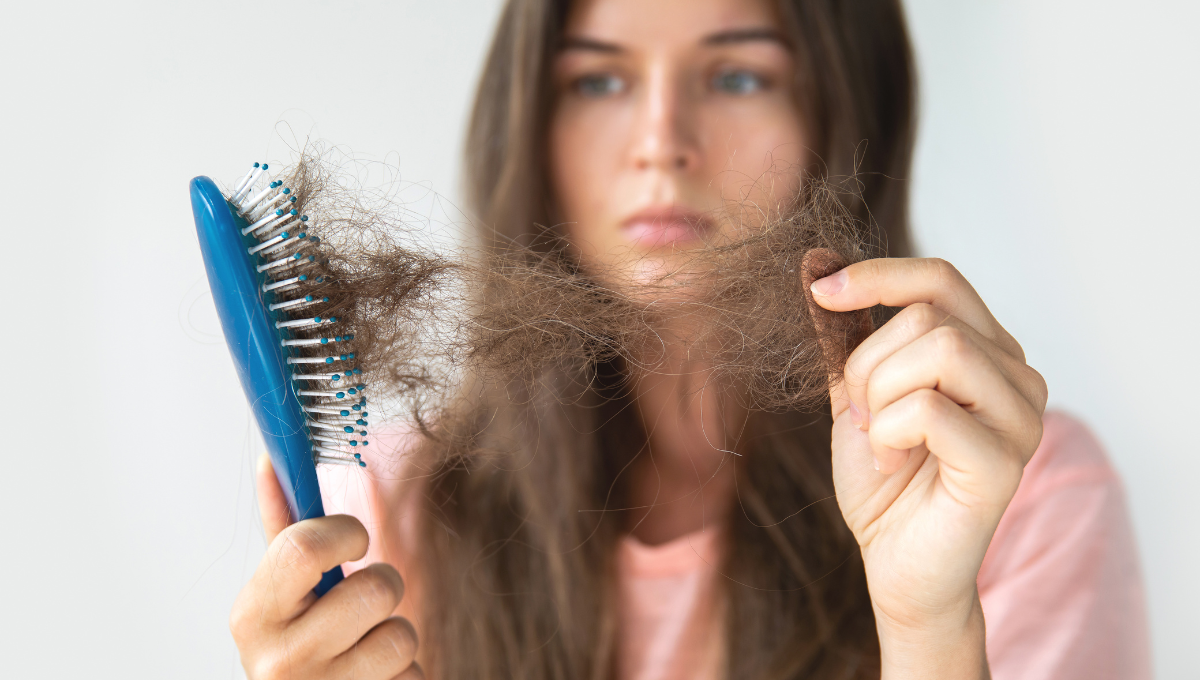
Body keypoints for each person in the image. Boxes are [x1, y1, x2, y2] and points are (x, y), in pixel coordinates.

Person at [229, 0, 1151, 678]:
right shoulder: (397, 513)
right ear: (531, 129)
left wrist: (930, 628)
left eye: (738, 74)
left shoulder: (1005, 490)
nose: (661, 140)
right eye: (598, 79)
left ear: (846, 117)